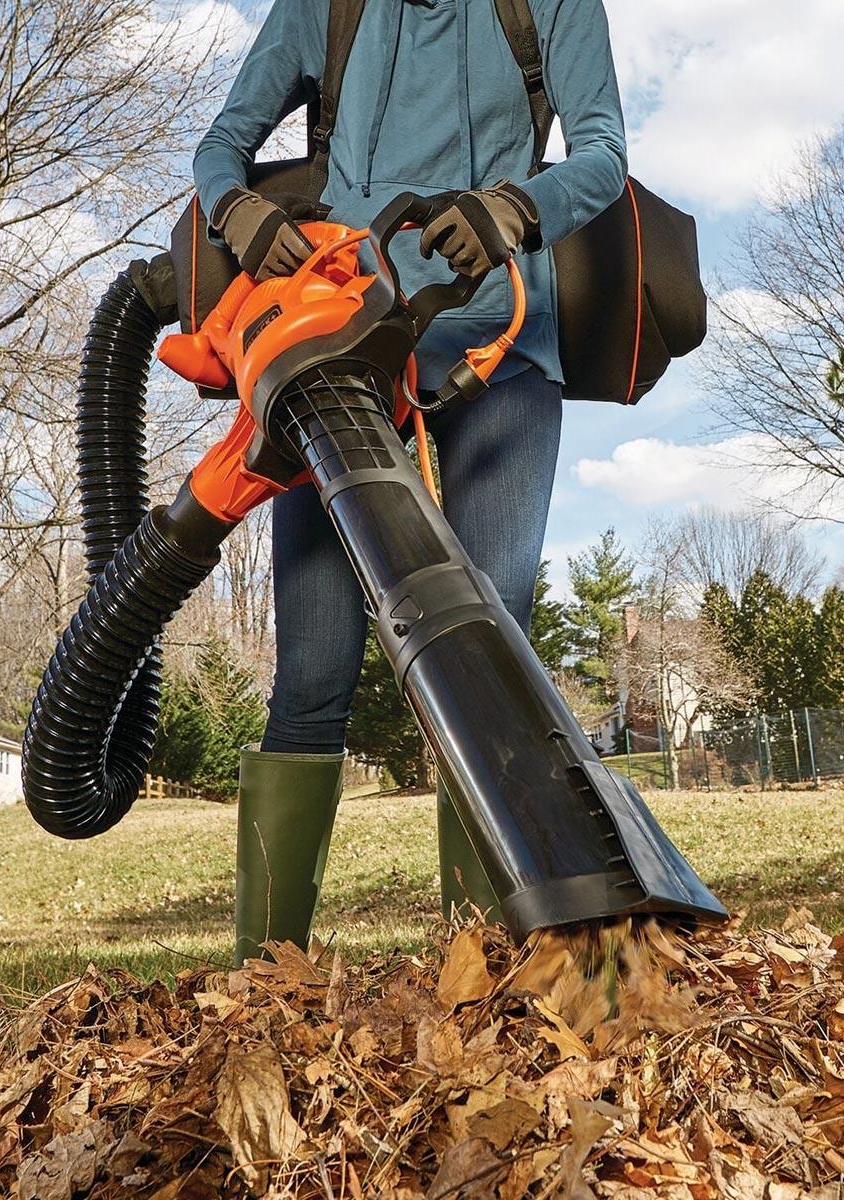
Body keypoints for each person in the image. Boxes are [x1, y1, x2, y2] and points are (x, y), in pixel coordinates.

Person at [193, 0, 627, 963]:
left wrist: (514, 208)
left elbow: (602, 151)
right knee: (311, 672)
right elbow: (220, 144)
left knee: (486, 664)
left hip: (503, 359)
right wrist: (241, 207)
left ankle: (480, 977)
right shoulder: (325, 8)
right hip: (338, 361)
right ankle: (265, 986)